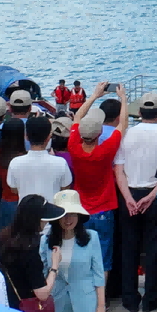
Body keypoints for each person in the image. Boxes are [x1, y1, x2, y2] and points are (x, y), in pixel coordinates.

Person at [116, 92, 157, 312]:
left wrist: (129, 198)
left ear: (139, 112)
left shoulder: (126, 135)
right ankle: (152, 296)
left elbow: (119, 170)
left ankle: (130, 298)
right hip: (155, 195)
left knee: (129, 248)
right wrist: (152, 196)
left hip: (129, 193)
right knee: (154, 248)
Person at [66, 86, 125, 282]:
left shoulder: (73, 147)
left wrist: (94, 96)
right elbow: (122, 124)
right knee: (103, 258)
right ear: (99, 133)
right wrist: (123, 98)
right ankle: (102, 300)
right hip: (104, 209)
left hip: (81, 209)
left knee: (81, 254)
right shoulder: (105, 151)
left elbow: (76, 117)